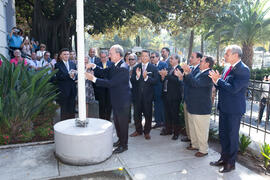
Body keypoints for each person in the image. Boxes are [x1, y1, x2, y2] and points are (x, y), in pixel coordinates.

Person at [208, 45, 250, 173]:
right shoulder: (227, 67)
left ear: (235, 55)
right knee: (223, 135)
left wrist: (218, 80)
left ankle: (231, 163)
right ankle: (223, 158)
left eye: (227, 54)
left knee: (232, 136)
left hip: (234, 109)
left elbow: (233, 88)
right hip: (224, 107)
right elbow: (223, 86)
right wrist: (217, 82)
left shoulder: (243, 69)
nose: (224, 56)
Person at [85, 44, 131, 154]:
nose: (109, 56)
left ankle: (124, 145)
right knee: (117, 122)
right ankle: (120, 140)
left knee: (123, 124)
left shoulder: (123, 67)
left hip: (123, 101)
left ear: (118, 54)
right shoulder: (114, 65)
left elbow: (111, 83)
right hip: (115, 99)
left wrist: (94, 79)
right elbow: (104, 72)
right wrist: (95, 66)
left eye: (111, 53)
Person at [176, 56, 214, 157]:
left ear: (207, 64)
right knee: (193, 128)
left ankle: (203, 150)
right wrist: (183, 76)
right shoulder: (199, 72)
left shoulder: (209, 74)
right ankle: (195, 144)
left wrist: (188, 73)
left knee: (201, 129)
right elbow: (189, 83)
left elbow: (196, 84)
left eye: (201, 61)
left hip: (201, 107)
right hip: (193, 105)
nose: (200, 62)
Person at [130, 50, 158, 140]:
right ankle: (138, 130)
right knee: (136, 115)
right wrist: (137, 76)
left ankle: (147, 132)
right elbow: (132, 80)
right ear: (140, 57)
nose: (144, 57)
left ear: (149, 57)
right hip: (137, 96)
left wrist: (146, 78)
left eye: (146, 56)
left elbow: (155, 81)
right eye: (142, 56)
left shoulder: (153, 68)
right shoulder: (136, 67)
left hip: (148, 96)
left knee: (148, 115)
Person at [159, 54, 183, 140]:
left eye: (172, 59)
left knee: (175, 115)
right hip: (166, 94)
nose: (170, 60)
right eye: (170, 59)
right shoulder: (168, 68)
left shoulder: (180, 69)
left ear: (177, 60)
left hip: (174, 96)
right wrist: (162, 77)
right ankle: (168, 130)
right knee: (167, 114)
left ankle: (176, 133)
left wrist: (166, 75)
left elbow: (177, 81)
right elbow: (164, 80)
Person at [181, 52, 202, 143]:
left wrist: (187, 73)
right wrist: (182, 76)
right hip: (187, 98)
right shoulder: (191, 68)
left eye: (192, 57)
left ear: (199, 59)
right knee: (187, 120)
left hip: (194, 100)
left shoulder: (200, 70)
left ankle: (194, 140)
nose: (190, 59)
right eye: (190, 57)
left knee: (193, 122)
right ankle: (189, 137)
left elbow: (194, 83)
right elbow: (186, 82)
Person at [55, 48, 77, 121]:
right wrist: (69, 75)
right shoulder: (57, 65)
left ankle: (72, 124)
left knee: (72, 108)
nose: (66, 56)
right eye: (64, 54)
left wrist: (74, 76)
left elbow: (76, 75)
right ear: (60, 55)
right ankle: (64, 126)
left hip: (72, 89)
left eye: (68, 54)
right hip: (63, 90)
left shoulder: (73, 64)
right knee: (64, 109)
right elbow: (58, 77)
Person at [150, 51, 168, 128]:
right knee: (156, 106)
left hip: (161, 89)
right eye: (151, 57)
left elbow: (165, 75)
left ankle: (162, 121)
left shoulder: (163, 64)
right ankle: (158, 121)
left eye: (153, 57)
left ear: (158, 57)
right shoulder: (150, 65)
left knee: (161, 106)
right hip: (152, 89)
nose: (152, 59)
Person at [95, 50, 113, 121]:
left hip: (109, 88)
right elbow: (96, 76)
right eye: (101, 57)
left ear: (107, 56)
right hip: (101, 88)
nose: (103, 59)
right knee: (101, 104)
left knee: (109, 104)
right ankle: (101, 119)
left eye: (104, 57)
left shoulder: (112, 64)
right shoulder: (97, 65)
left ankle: (108, 118)